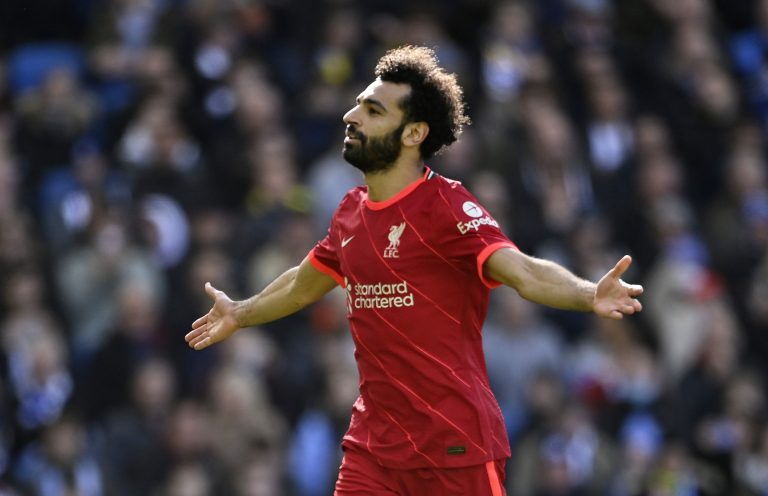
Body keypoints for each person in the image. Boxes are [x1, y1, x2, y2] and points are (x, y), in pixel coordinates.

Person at [185, 45, 643, 495]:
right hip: (374, 449)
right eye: (358, 105)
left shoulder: (447, 206)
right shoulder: (350, 212)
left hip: (454, 447)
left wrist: (588, 294)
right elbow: (302, 285)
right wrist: (240, 312)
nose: (351, 116)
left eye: (373, 111)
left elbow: (523, 272)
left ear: (413, 133)